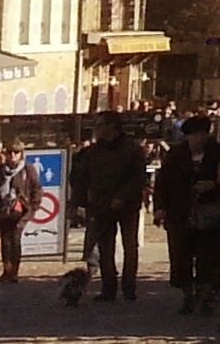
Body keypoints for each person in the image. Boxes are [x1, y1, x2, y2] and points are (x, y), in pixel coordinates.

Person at [157, 116, 220, 312]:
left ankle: (208, 295)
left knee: (209, 257)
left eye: (202, 134)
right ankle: (188, 294)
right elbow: (163, 183)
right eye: (194, 135)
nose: (198, 138)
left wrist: (215, 185)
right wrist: (160, 208)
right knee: (182, 257)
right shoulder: (176, 155)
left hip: (211, 213)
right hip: (181, 212)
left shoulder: (219, 153)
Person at [76, 112, 150, 301]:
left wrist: (122, 197)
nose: (97, 129)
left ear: (112, 127)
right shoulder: (93, 152)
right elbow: (81, 178)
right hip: (101, 205)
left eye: (100, 125)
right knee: (105, 248)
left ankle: (129, 287)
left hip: (127, 206)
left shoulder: (132, 149)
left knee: (129, 247)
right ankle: (108, 288)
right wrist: (77, 203)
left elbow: (138, 178)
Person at [0, 141, 42, 282]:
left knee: (15, 239)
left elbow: (36, 189)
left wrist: (33, 207)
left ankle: (14, 271)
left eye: (16, 152)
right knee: (5, 241)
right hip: (3, 209)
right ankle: (6, 270)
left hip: (21, 210)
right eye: (10, 152)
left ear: (21, 154)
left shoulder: (28, 169)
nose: (12, 155)